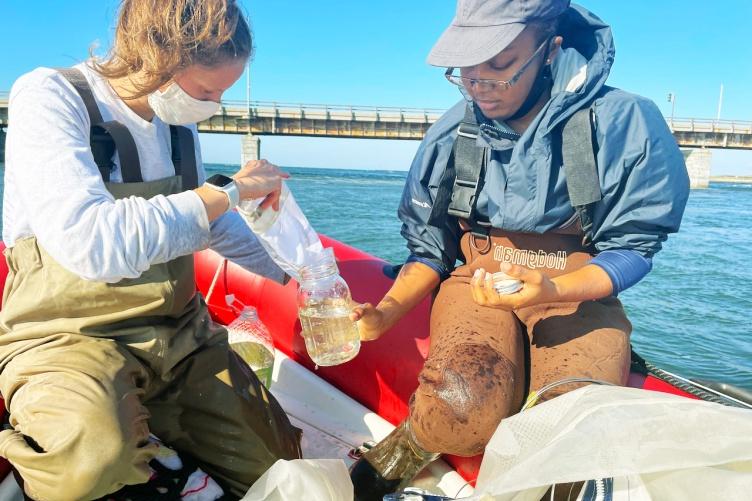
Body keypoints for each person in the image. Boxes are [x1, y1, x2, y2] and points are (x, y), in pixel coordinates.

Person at [349, 0, 690, 499]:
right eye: (466, 70)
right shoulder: (451, 134)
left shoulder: (625, 121)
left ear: (550, 48)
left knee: (573, 433)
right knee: (460, 403)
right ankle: (403, 450)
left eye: (500, 65)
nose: (478, 84)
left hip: (576, 288)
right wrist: (383, 315)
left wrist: (553, 287)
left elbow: (633, 248)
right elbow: (429, 251)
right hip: (477, 283)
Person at [0, 1, 302, 499]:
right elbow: (91, 243)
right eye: (207, 90)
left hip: (179, 334)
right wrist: (227, 191)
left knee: (281, 469)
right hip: (68, 336)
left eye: (222, 93)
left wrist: (301, 275)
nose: (214, 104)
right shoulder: (50, 95)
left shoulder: (177, 121)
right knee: (90, 461)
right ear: (153, 58)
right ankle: (53, 449)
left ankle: (157, 446)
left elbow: (212, 227)